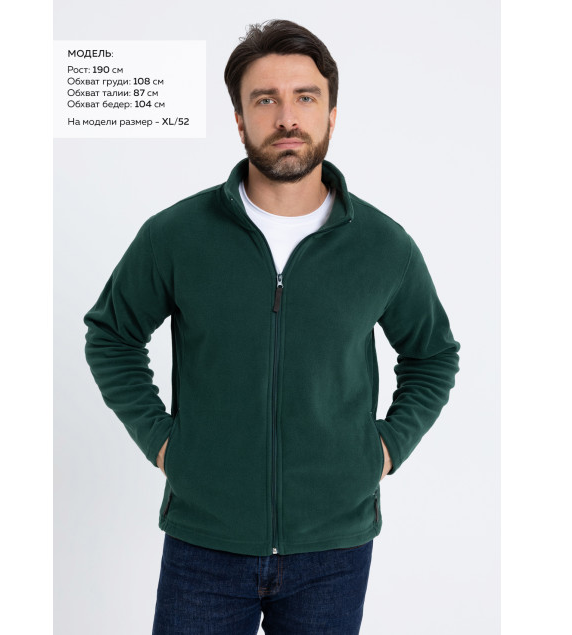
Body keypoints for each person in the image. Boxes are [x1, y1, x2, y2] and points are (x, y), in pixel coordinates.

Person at [84, 19, 460, 634]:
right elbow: (112, 335)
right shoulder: (176, 236)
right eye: (265, 100)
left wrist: (385, 449)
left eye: (305, 97)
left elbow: (432, 355)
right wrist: (163, 442)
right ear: (240, 120)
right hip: (205, 540)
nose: (287, 117)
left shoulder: (383, 246)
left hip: (334, 548)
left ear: (331, 114)